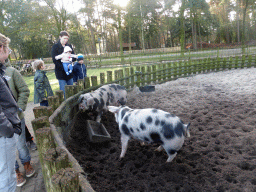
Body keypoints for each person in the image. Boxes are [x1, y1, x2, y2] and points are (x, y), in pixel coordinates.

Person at [5, 59, 36, 187]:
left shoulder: (12, 72)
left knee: (21, 144)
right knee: (7, 149)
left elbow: (24, 90)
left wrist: (19, 108)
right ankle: (16, 171)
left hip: (16, 118)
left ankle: (27, 164)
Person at [0, 33, 22, 192]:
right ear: (1, 48)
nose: (8, 51)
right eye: (7, 47)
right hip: (3, 135)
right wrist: (9, 130)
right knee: (7, 178)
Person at [51, 31, 76, 96]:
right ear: (60, 37)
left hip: (69, 73)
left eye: (67, 39)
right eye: (64, 38)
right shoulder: (55, 47)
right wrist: (64, 68)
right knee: (63, 92)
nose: (66, 40)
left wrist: (70, 61)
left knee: (71, 91)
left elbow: (74, 57)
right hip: (60, 73)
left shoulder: (69, 46)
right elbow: (55, 60)